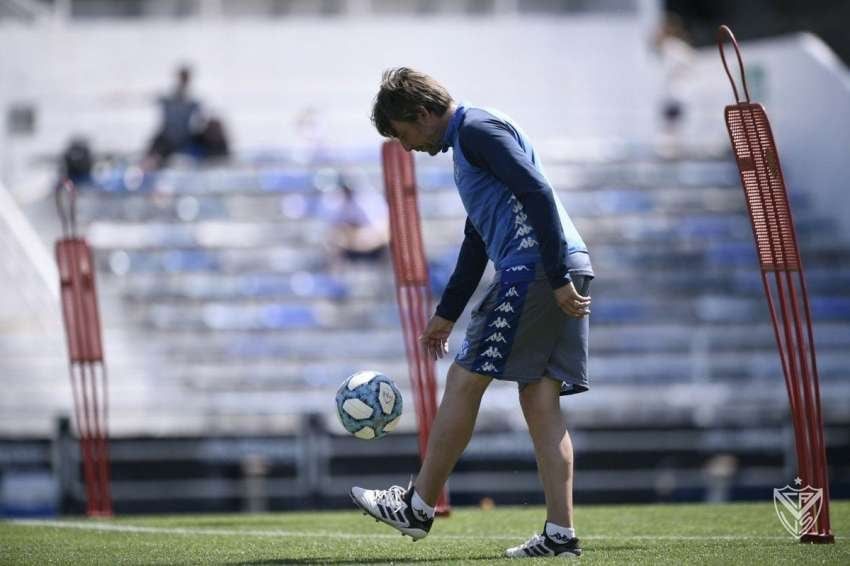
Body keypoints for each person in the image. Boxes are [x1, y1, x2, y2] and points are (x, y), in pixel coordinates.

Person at [350, 68, 594, 559]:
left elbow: (537, 192)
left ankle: (417, 505)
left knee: (464, 378)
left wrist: (554, 277)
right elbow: (476, 239)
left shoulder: (477, 131)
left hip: (535, 271)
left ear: (422, 113)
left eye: (403, 133)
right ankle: (560, 534)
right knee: (540, 401)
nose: (406, 147)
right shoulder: (473, 140)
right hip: (564, 265)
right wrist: (446, 313)